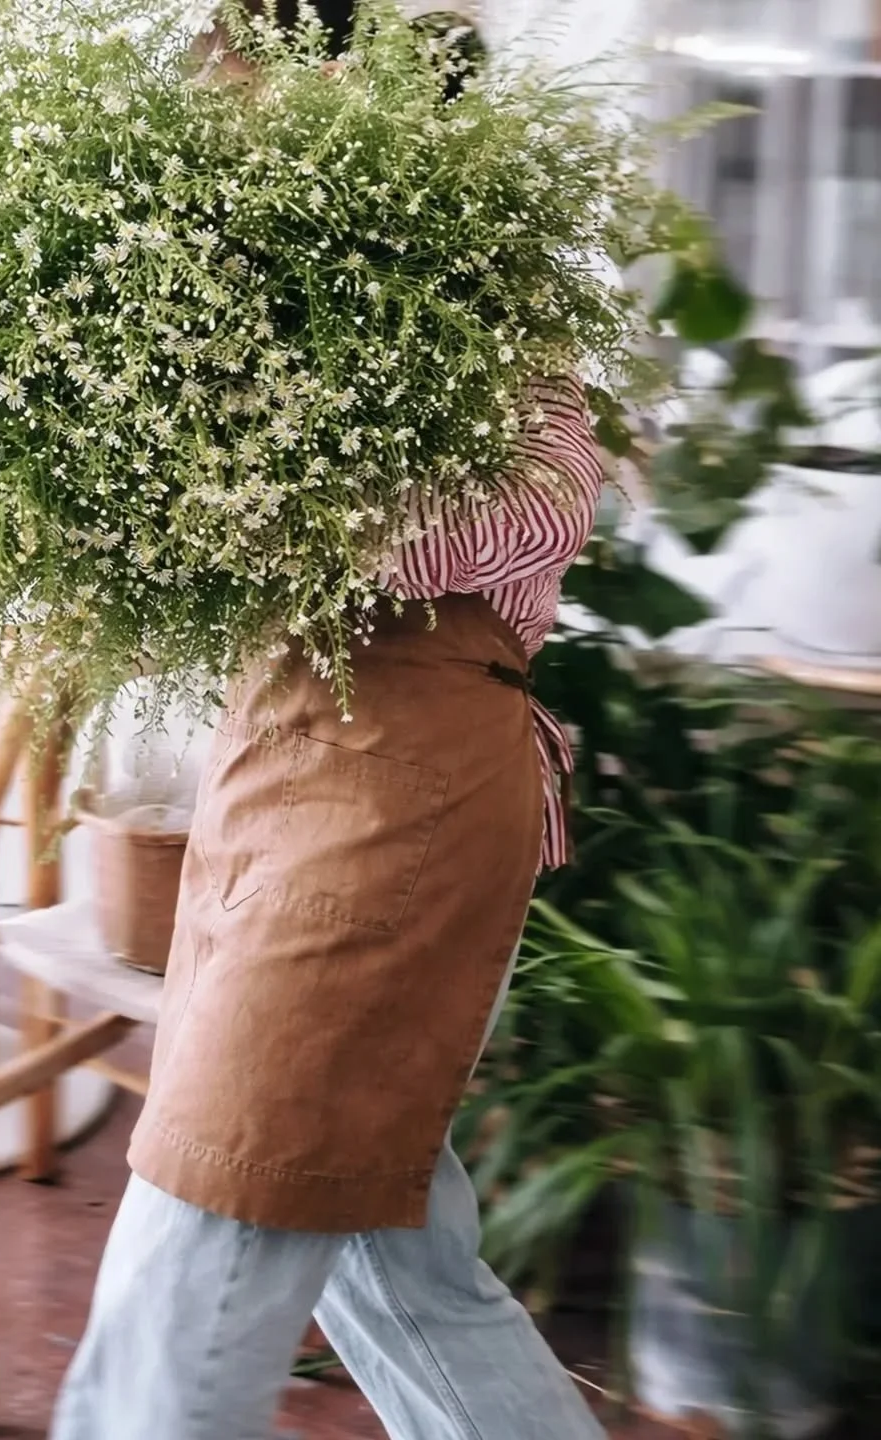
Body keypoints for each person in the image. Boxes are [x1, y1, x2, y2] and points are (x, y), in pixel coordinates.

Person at [51, 6, 608, 1438]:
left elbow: (529, 513)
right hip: (291, 785)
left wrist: (254, 489)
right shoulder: (250, 327)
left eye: (248, 90)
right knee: (389, 1254)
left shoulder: (497, 332)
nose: (224, 124)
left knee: (208, 1227)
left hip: (397, 816)